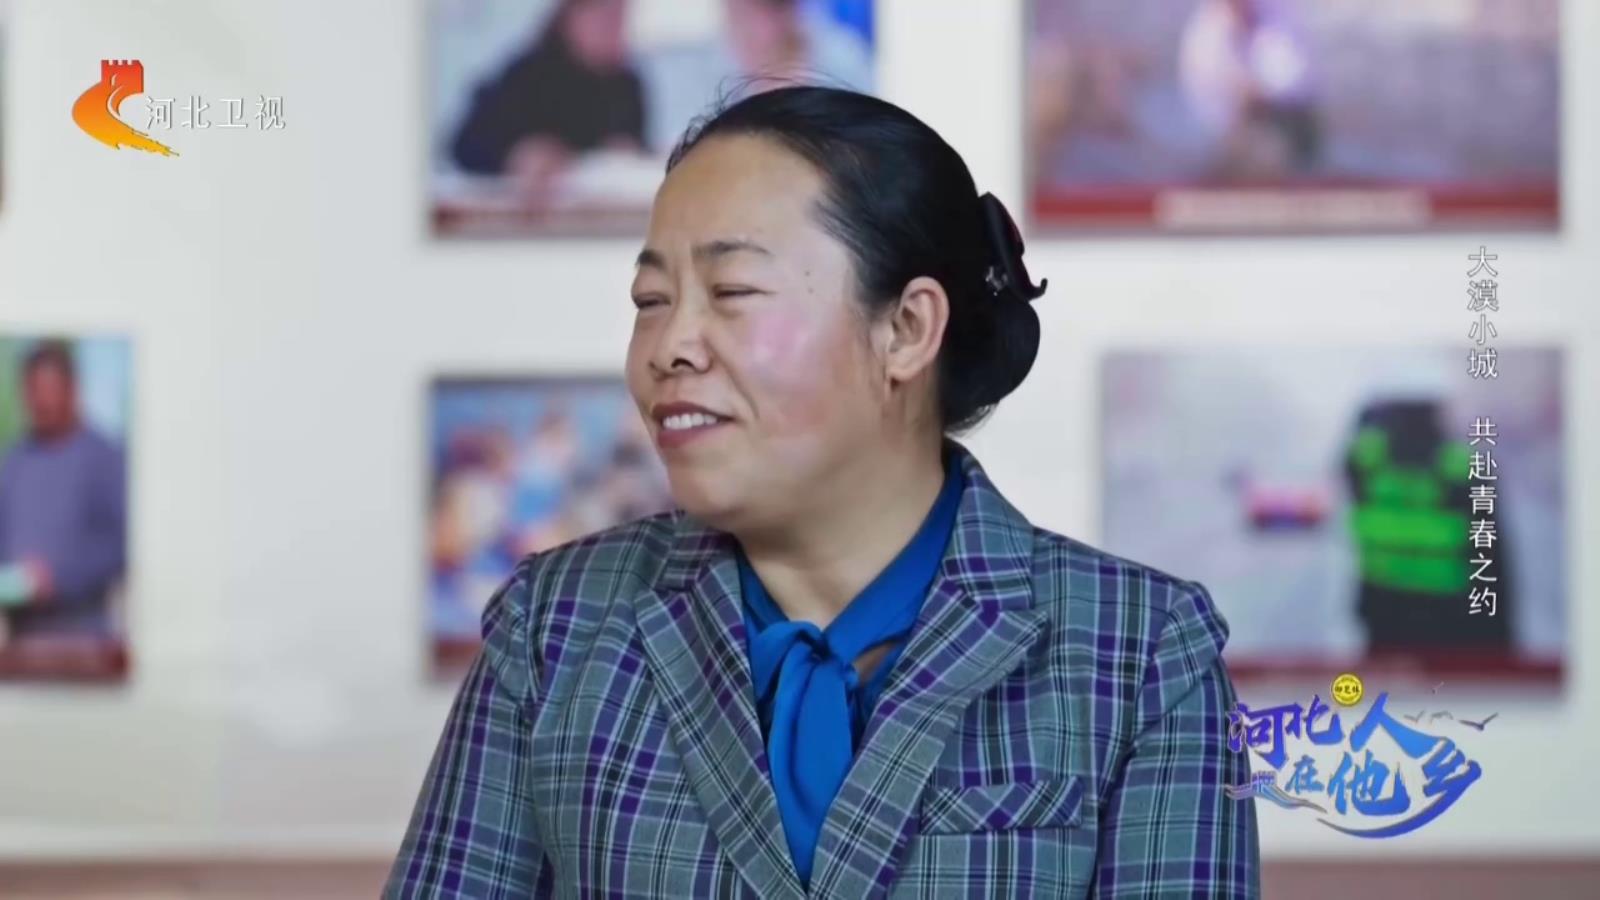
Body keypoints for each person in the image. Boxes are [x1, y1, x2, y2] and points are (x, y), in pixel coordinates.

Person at [388, 86, 1259, 898]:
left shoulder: (1141, 652)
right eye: (651, 299)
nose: (669, 346)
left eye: (732, 291)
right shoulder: (555, 627)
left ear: (906, 329)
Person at [449, 0, 647, 201]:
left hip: (599, 208)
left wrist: (627, 156)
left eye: (620, 18)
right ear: (572, 18)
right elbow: (464, 145)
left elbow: (633, 148)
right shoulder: (526, 75)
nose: (615, 29)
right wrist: (516, 156)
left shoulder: (627, 84)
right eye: (605, 19)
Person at [0, 340, 127, 640]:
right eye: (33, 391)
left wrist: (58, 578)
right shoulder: (14, 463)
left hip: (83, 639)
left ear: (72, 389)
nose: (41, 401)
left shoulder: (106, 458)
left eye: (49, 390)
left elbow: (120, 545)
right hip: (23, 638)